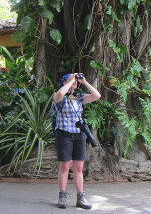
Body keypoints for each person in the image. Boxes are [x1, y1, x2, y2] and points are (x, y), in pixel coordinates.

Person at [53, 73, 101, 209]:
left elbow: (97, 95)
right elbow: (59, 95)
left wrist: (84, 82)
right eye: (70, 80)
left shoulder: (79, 97)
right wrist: (70, 81)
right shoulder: (60, 98)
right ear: (64, 83)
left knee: (79, 168)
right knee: (65, 167)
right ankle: (62, 195)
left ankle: (81, 197)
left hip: (79, 136)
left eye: (75, 80)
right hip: (64, 135)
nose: (74, 82)